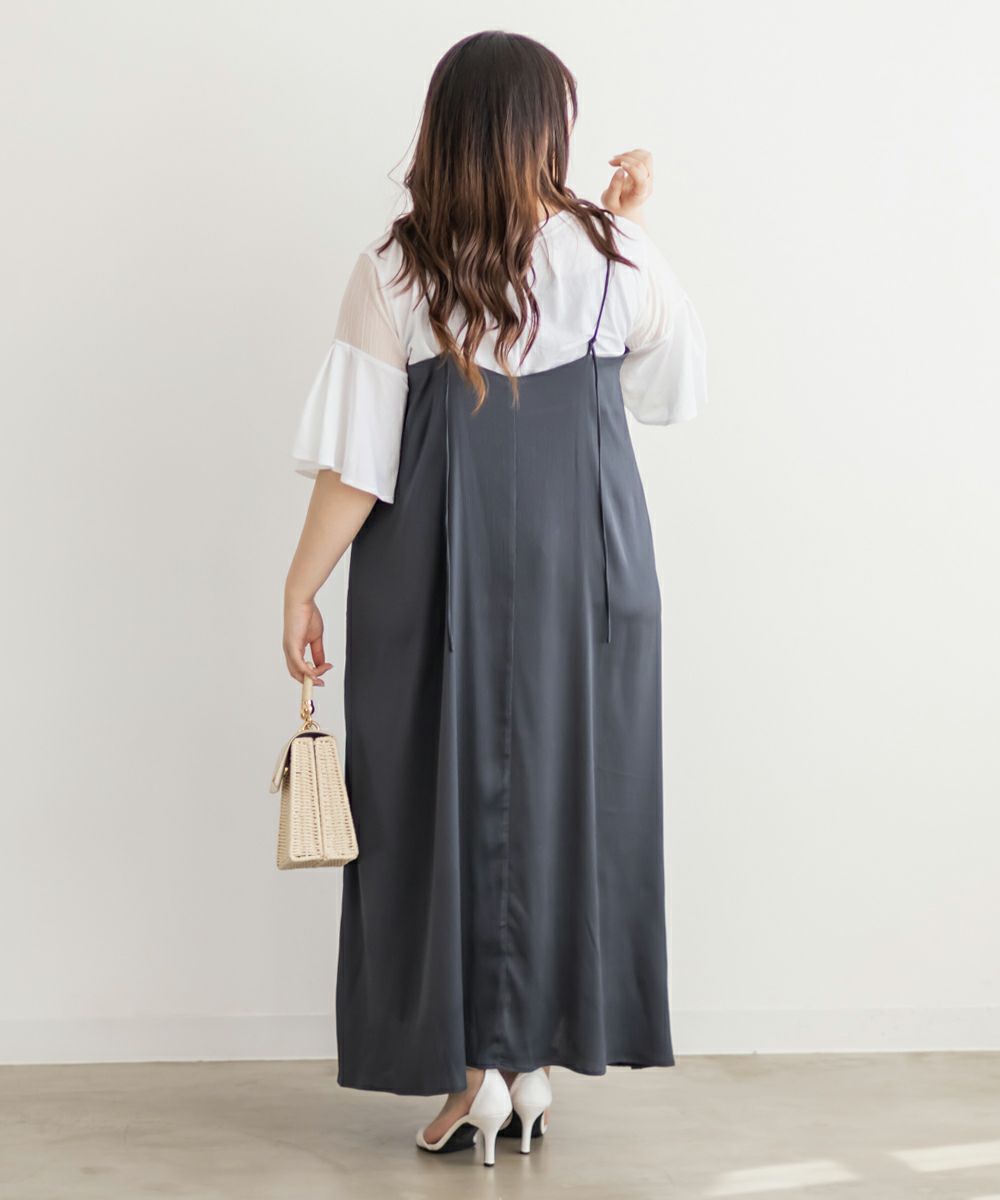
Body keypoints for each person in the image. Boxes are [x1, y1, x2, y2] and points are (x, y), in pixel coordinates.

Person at [282, 30, 707, 1168]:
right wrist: (626, 228)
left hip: (435, 572)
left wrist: (301, 586)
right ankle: (531, 1067)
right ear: (543, 133)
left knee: (428, 797)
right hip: (590, 566)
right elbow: (669, 385)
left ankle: (473, 1071)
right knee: (575, 791)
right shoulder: (612, 254)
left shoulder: (396, 266)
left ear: (446, 130)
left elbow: (358, 463)